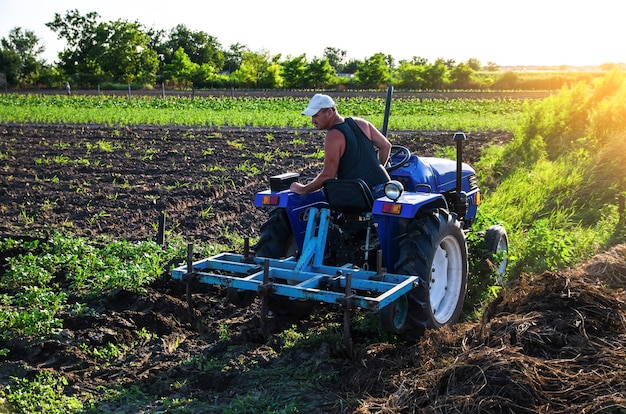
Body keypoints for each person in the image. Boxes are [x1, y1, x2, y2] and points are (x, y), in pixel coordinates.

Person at [289, 94, 392, 197]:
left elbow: (328, 175)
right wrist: (377, 168)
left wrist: (303, 189)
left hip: (359, 194)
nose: (313, 121)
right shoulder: (361, 123)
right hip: (386, 189)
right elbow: (386, 146)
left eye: (315, 116)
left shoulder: (333, 136)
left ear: (329, 112)